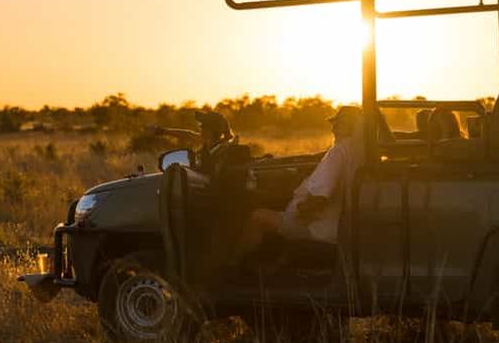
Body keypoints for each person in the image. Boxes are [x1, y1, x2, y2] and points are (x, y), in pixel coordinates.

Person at [245, 106, 364, 249]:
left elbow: (320, 198)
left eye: (340, 124)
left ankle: (236, 266)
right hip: (337, 227)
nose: (334, 128)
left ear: (352, 126)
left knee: (257, 217)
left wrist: (300, 211)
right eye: (335, 124)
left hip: (319, 230)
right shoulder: (360, 152)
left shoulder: (337, 153)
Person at [151, 111, 235, 172]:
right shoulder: (213, 145)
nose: (201, 128)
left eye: (204, 126)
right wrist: (162, 131)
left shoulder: (221, 151)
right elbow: (188, 135)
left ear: (213, 130)